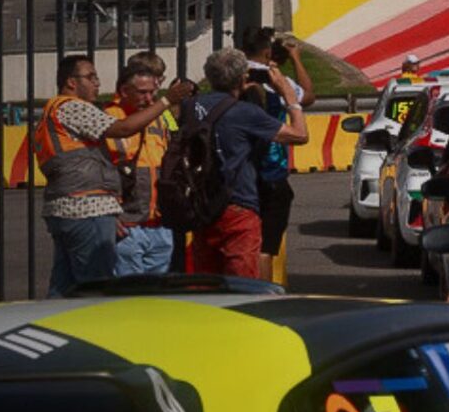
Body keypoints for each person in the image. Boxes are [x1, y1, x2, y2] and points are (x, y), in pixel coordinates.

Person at [37, 55, 190, 296]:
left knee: (63, 287)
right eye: (90, 77)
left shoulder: (52, 111)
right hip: (87, 208)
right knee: (97, 288)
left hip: (73, 208)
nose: (97, 83)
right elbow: (124, 129)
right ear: (71, 83)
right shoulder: (71, 107)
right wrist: (166, 100)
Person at [181, 47, 308, 279]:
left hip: (202, 204)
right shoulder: (245, 112)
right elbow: (300, 135)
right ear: (243, 78)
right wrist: (289, 96)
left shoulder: (191, 107)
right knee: (242, 285)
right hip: (238, 202)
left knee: (206, 281)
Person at [238, 26, 313, 274]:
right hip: (272, 171)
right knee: (265, 248)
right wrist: (295, 58)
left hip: (239, 174)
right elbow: (309, 96)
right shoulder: (277, 81)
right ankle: (261, 297)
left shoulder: (233, 77)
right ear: (268, 51)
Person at [108, 61, 177, 278]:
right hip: (127, 225)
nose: (149, 99)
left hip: (159, 224)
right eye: (142, 93)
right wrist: (109, 214)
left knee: (156, 297)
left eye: (152, 92)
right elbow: (101, 171)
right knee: (129, 296)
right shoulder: (111, 118)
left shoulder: (158, 117)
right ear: (124, 91)